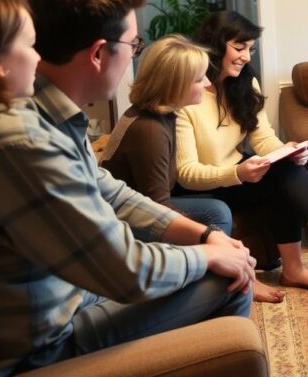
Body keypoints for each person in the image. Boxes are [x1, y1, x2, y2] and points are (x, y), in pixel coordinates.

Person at [0, 0, 253, 376]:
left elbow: (112, 193)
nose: (37, 57)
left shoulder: (29, 117)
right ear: (97, 54)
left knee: (217, 251)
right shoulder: (17, 141)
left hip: (63, 295)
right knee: (227, 280)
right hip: (41, 344)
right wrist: (209, 256)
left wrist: (204, 236)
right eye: (133, 45)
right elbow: (128, 271)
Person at [177, 11, 308, 294]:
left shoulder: (245, 83)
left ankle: (296, 268)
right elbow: (186, 173)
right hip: (203, 186)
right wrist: (237, 172)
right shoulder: (187, 93)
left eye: (250, 50)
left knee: (286, 169)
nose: (246, 57)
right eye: (239, 48)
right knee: (279, 178)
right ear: (216, 45)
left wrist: (286, 152)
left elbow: (263, 137)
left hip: (236, 173)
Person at [99, 35, 284, 303]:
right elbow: (157, 207)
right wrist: (210, 236)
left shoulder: (161, 113)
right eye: (199, 79)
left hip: (143, 202)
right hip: (124, 221)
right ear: (175, 84)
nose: (209, 83)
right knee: (216, 211)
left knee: (218, 205)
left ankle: (226, 275)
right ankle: (222, 282)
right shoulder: (150, 131)